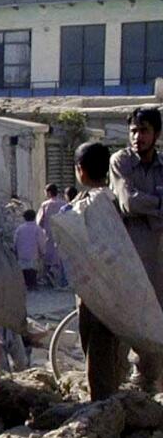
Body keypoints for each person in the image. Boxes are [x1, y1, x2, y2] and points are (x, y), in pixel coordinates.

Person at [110, 107, 163, 393]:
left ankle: (150, 383)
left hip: (156, 258)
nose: (137, 137)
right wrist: (157, 204)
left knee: (155, 320)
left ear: (156, 134)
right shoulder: (120, 162)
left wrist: (148, 205)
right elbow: (128, 202)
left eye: (143, 131)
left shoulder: (160, 166)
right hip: (126, 255)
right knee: (124, 320)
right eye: (133, 130)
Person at [72, 141, 127, 401]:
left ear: (80, 170)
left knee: (96, 347)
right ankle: (109, 395)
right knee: (109, 346)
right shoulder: (115, 200)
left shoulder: (84, 204)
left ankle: (103, 405)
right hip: (114, 285)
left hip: (92, 287)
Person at [36, 183, 68, 286]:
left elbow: (39, 221)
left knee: (48, 259)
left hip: (49, 235)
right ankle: (62, 281)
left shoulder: (45, 205)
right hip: (61, 236)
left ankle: (49, 279)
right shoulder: (64, 204)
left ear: (48, 192)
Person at [14, 208, 47, 289]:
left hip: (22, 253)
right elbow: (41, 241)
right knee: (33, 269)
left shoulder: (20, 228)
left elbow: (15, 241)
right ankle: (32, 284)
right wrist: (43, 251)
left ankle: (26, 284)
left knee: (24, 269)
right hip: (33, 253)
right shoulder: (37, 229)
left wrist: (16, 251)